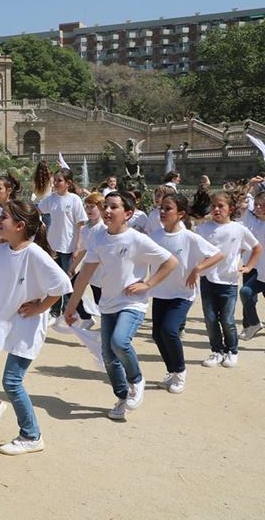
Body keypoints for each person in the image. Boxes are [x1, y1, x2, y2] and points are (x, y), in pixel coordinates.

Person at [0, 199, 71, 455]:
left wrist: (40, 308)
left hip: (27, 325)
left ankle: (31, 435)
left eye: (4, 217)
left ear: (20, 225)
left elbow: (62, 285)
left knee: (11, 381)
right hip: (1, 322)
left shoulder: (34, 254)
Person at [65, 191, 177, 420]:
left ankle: (136, 379)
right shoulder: (98, 239)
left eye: (113, 207)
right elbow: (85, 274)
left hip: (132, 304)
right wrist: (71, 307)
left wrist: (147, 284)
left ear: (127, 214)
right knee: (107, 355)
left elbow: (170, 262)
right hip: (108, 304)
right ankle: (122, 397)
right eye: (106, 206)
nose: (107, 210)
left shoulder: (137, 238)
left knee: (119, 342)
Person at [147, 193, 222, 392]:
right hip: (161, 292)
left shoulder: (189, 237)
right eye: (161, 208)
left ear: (181, 213)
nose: (162, 212)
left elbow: (218, 254)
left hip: (182, 294)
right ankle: (171, 371)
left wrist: (197, 269)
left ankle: (180, 371)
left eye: (168, 208)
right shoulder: (154, 237)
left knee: (170, 330)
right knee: (157, 334)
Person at [195, 191, 260, 369]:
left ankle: (232, 351)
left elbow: (256, 247)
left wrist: (248, 267)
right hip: (207, 280)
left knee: (228, 320)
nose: (216, 209)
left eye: (220, 206)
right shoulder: (202, 229)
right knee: (210, 319)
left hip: (229, 282)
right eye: (213, 206)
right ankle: (217, 351)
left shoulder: (238, 229)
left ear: (230, 209)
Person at [38, 168, 87, 319]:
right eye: (55, 180)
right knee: (54, 278)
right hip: (53, 246)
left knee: (68, 279)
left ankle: (69, 308)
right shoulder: (51, 199)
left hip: (69, 246)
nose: (56, 183)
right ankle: (54, 308)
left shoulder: (74, 200)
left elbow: (81, 224)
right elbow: (37, 211)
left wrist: (78, 246)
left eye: (59, 180)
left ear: (68, 183)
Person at [66, 192, 106, 328]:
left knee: (100, 300)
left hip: (100, 271)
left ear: (100, 208)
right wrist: (73, 267)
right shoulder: (86, 228)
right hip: (86, 269)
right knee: (70, 287)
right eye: (87, 207)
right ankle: (85, 317)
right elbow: (84, 249)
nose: (88, 210)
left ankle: (107, 326)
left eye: (92, 207)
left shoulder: (104, 228)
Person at [239, 190, 265, 340]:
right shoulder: (251, 218)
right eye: (256, 204)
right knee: (246, 293)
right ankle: (251, 324)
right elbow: (240, 202)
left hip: (261, 269)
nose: (259, 208)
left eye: (263, 205)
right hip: (255, 268)